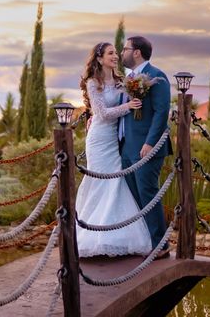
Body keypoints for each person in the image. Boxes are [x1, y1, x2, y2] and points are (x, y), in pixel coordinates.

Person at [75, 42, 153, 257]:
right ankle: (93, 237)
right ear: (99, 58)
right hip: (99, 140)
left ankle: (116, 237)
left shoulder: (122, 81)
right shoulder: (93, 83)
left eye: (117, 53)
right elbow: (101, 114)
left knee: (116, 181)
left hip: (116, 139)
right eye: (111, 53)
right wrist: (127, 107)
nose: (116, 56)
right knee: (100, 181)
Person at [119, 36, 172, 259]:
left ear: (137, 52)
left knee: (148, 193)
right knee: (134, 197)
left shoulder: (157, 76)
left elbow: (161, 112)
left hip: (147, 147)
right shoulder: (126, 79)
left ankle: (160, 244)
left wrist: (150, 143)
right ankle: (144, 241)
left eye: (125, 49)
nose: (122, 53)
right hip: (127, 148)